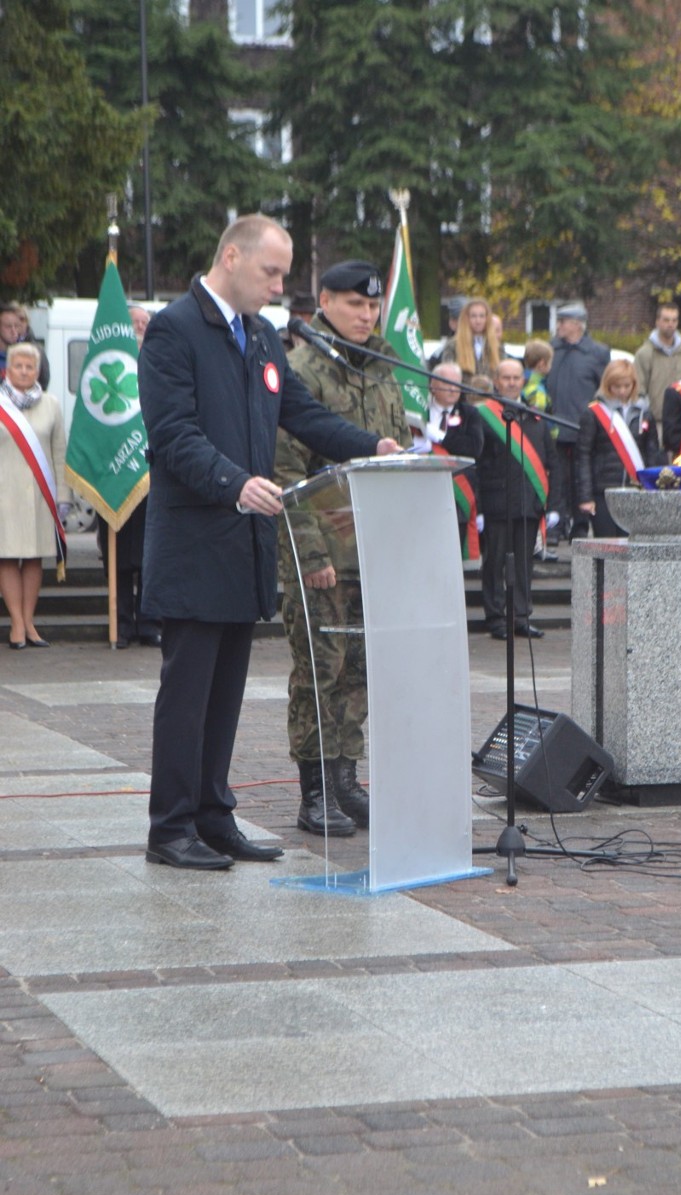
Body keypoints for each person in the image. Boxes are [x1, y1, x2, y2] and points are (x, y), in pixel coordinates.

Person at [137, 217, 401, 873]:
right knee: (187, 695)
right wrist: (233, 482)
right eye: (272, 272)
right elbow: (173, 436)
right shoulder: (176, 330)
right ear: (231, 256)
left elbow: (302, 414)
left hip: (244, 543)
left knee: (224, 694)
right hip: (198, 541)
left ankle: (214, 816)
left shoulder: (258, 336)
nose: (282, 286)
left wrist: (376, 448)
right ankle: (170, 827)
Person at [274, 259, 411, 837]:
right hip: (325, 550)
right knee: (318, 670)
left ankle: (346, 780)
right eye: (355, 303)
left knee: (358, 672)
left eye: (373, 304)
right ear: (324, 302)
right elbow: (284, 470)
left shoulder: (381, 368)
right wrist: (310, 555)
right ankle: (314, 791)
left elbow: (397, 452)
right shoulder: (301, 368)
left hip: (373, 549)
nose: (367, 313)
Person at [475, 357, 558, 639]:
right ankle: (497, 618)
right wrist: (480, 507)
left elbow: (550, 460)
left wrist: (550, 504)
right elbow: (478, 462)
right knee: (496, 563)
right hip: (497, 503)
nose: (511, 383)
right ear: (496, 382)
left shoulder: (535, 418)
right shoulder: (483, 415)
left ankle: (521, 616)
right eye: (506, 378)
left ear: (523, 380)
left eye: (516, 378)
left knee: (523, 565)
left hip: (528, 504)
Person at [95, 305, 161, 649]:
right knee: (119, 558)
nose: (139, 327)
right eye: (133, 322)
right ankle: (120, 623)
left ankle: (149, 623)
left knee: (151, 557)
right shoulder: (106, 368)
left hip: (152, 478)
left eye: (144, 323)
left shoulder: (163, 362)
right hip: (116, 476)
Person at [0, 343, 70, 648]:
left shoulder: (52, 404)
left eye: (30, 367)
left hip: (41, 496)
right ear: (8, 369)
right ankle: (16, 623)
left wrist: (64, 495)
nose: (25, 371)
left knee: (33, 559)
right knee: (6, 557)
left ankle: (29, 622)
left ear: (38, 371)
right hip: (5, 496)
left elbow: (59, 454)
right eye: (19, 366)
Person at [576, 359, 662, 537]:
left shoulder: (643, 413)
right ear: (608, 385)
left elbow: (652, 452)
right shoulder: (594, 412)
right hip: (604, 490)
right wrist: (586, 497)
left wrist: (653, 488)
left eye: (626, 385)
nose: (622, 391)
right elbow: (583, 456)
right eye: (616, 386)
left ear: (634, 385)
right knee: (607, 544)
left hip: (635, 489)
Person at [547, 301, 610, 542]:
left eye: (562, 322)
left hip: (584, 428)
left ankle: (580, 524)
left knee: (581, 479)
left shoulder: (597, 353)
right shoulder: (552, 349)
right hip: (555, 428)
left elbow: (604, 388)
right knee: (557, 479)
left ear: (576, 325)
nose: (558, 326)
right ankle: (557, 522)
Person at [412, 361, 484, 553]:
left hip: (457, 493)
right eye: (447, 383)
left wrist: (441, 437)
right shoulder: (419, 411)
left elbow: (473, 448)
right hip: (422, 491)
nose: (453, 389)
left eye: (457, 384)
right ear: (432, 385)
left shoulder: (469, 413)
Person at [633, 302, 681, 423]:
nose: (670, 324)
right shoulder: (644, 354)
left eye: (674, 320)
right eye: (666, 320)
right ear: (657, 322)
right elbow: (638, 390)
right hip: (656, 423)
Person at [441, 297, 503, 382]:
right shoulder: (453, 345)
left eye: (482, 316)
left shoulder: (497, 346)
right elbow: (448, 374)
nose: (478, 321)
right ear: (466, 318)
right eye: (473, 316)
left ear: (487, 318)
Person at [427, 296, 466, 370]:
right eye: (464, 321)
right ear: (452, 323)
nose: (477, 322)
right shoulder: (441, 354)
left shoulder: (485, 348)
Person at [280, 290, 316, 355]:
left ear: (312, 316)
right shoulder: (280, 341)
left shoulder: (319, 342)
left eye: (302, 314)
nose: (297, 318)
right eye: (293, 314)